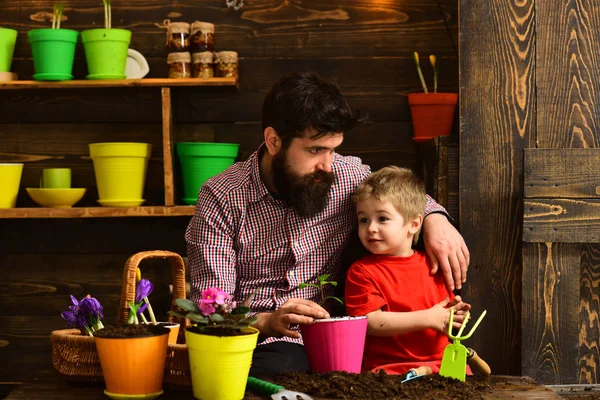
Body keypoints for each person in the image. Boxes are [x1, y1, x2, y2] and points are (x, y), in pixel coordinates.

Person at [185, 72, 470, 377]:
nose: (327, 164)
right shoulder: (223, 197)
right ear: (274, 141)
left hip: (339, 337)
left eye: (333, 149)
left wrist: (435, 220)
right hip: (260, 341)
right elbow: (211, 311)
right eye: (314, 150)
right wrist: (268, 321)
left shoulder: (345, 175)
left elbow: (403, 199)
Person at [345, 166, 471, 375]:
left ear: (414, 224)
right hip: (390, 370)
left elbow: (442, 318)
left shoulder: (433, 264)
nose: (371, 228)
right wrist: (430, 318)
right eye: (363, 219)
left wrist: (454, 314)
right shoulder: (361, 272)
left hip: (441, 366)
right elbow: (370, 322)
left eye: (382, 218)